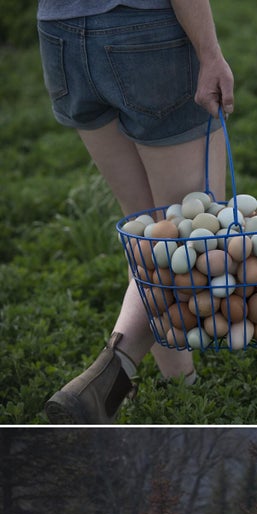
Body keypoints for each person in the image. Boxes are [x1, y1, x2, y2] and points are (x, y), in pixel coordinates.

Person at [37, 1, 235, 423]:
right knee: (191, 238)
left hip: (61, 35)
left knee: (148, 229)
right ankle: (111, 371)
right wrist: (210, 52)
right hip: (143, 32)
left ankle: (181, 388)